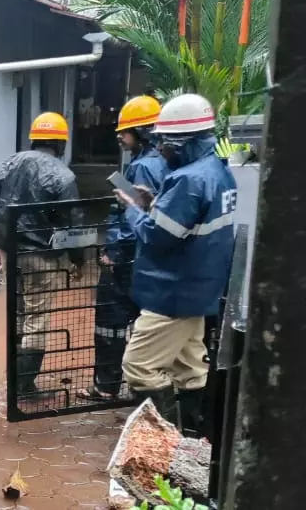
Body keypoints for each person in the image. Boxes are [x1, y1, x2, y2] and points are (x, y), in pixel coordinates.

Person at [113, 93, 236, 431]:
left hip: (172, 293)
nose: (160, 149)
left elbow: (157, 237)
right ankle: (193, 438)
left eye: (164, 142)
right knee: (189, 368)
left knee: (139, 367)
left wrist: (132, 209)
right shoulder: (218, 170)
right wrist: (154, 203)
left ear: (183, 142)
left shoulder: (188, 179)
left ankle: (163, 446)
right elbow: (188, 223)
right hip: (200, 287)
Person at [0, 112, 82, 399]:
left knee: (19, 313)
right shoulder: (63, 175)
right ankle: (24, 387)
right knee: (37, 317)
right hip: (42, 255)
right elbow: (73, 221)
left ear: (34, 139)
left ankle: (15, 378)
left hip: (11, 252)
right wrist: (78, 259)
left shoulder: (8, 165)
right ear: (61, 144)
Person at [78, 95, 170, 402]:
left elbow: (132, 215)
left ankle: (107, 386)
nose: (119, 137)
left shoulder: (142, 167)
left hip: (128, 257)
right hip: (148, 257)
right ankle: (140, 386)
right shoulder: (160, 162)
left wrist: (113, 254)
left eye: (125, 131)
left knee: (110, 319)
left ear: (142, 132)